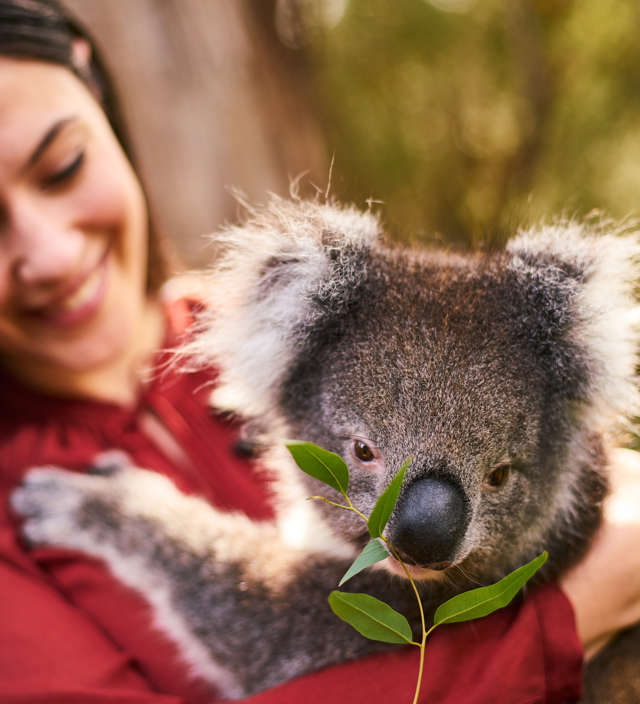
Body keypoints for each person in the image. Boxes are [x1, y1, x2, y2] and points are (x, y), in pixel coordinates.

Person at [0, 2, 638, 703]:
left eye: (63, 167)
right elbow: (277, 627)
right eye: (363, 452)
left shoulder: (249, 325)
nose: (50, 254)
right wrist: (567, 619)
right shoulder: (297, 337)